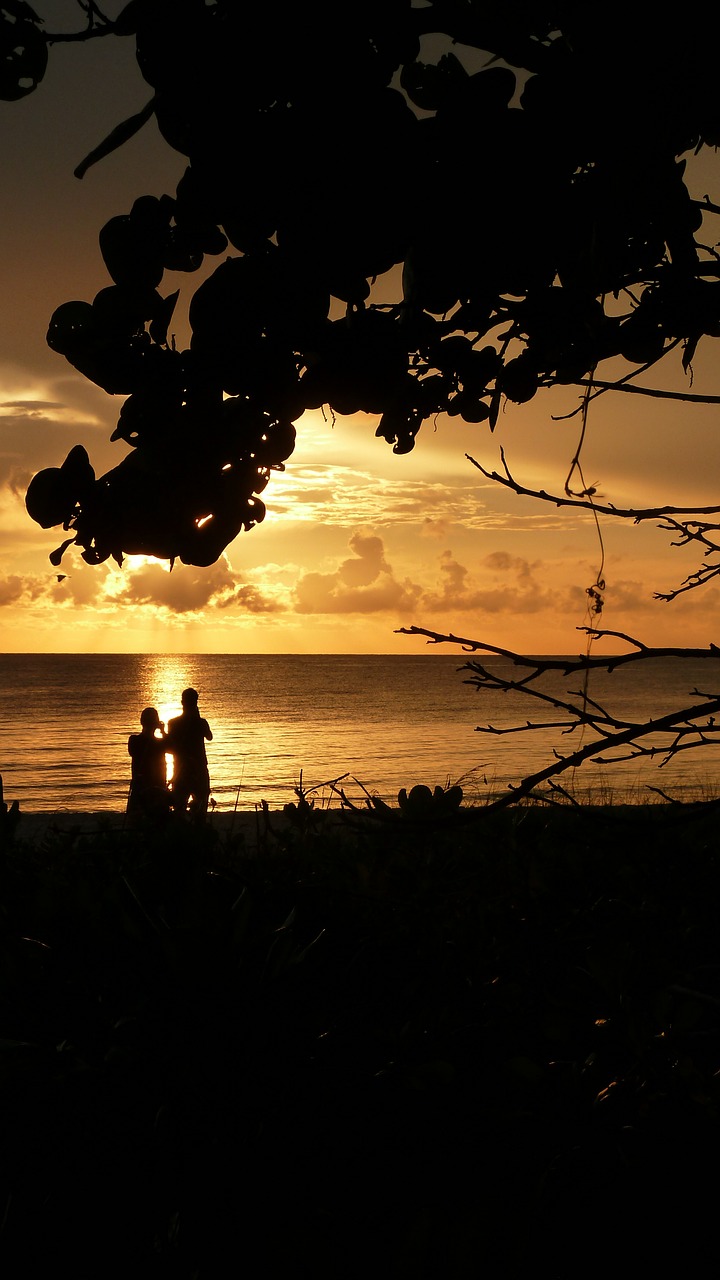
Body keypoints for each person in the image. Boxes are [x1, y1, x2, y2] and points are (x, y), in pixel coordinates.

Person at [166, 688, 213, 817]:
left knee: (179, 808)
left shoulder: (173, 723)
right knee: (201, 808)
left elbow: (170, 747)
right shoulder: (200, 722)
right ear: (196, 702)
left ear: (182, 702)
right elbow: (209, 736)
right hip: (198, 769)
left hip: (182, 770)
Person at [127, 707, 170, 820]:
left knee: (137, 821)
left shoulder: (133, 740)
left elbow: (132, 752)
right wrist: (163, 731)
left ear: (141, 722)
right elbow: (172, 747)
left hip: (140, 786)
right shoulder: (160, 744)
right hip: (158, 787)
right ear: (156, 723)